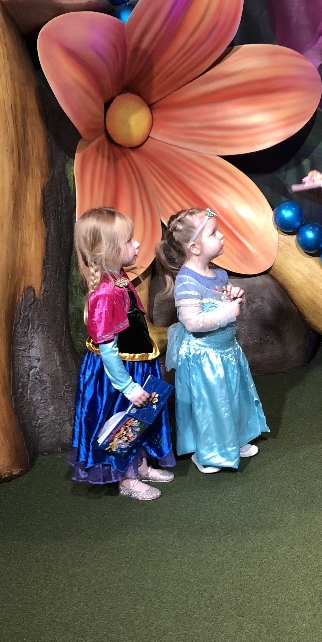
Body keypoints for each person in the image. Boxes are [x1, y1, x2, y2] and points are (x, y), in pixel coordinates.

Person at [70, 207, 175, 501]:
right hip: (119, 374)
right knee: (123, 421)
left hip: (136, 364)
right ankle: (127, 479)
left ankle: (139, 466)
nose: (137, 244)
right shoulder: (104, 294)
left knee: (140, 419)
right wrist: (127, 386)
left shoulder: (119, 279)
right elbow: (107, 348)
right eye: (129, 240)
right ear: (108, 251)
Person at [157, 207, 269, 473]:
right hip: (204, 358)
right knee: (210, 406)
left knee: (232, 398)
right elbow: (192, 322)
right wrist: (226, 312)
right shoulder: (186, 281)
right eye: (213, 233)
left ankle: (235, 439)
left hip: (227, 352)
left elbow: (218, 303)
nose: (221, 236)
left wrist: (231, 298)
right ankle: (206, 452)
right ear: (194, 248)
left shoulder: (217, 274)